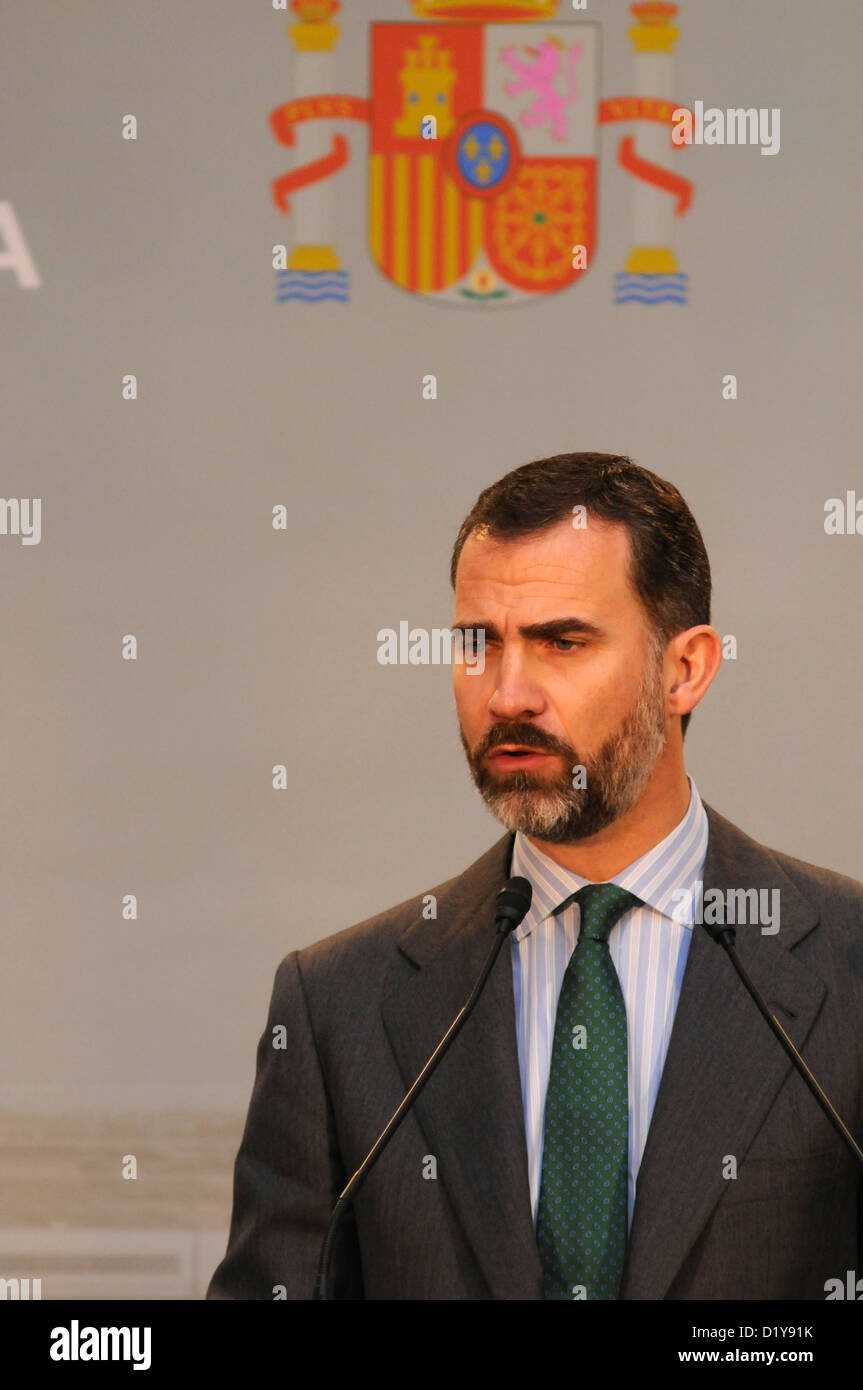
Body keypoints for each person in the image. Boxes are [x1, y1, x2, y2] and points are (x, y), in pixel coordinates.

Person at [207, 451, 862, 1300]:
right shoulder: (337, 1005)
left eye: (562, 642)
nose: (508, 694)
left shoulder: (845, 968)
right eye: (478, 645)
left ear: (684, 668)